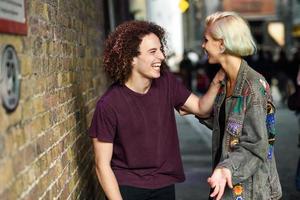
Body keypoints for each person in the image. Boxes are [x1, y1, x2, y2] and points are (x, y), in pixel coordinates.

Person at [88, 20, 224, 200]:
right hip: (127, 188)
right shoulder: (109, 104)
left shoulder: (166, 83)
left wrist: (217, 82)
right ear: (131, 59)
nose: (161, 56)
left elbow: (201, 108)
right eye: (153, 52)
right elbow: (102, 165)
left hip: (163, 185)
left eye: (160, 49)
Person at [198, 12, 282, 200]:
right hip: (226, 187)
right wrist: (200, 113)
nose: (203, 46)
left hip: (250, 192)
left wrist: (225, 169)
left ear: (222, 44)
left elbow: (256, 145)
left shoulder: (252, 86)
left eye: (206, 40)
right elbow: (230, 127)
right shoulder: (226, 81)